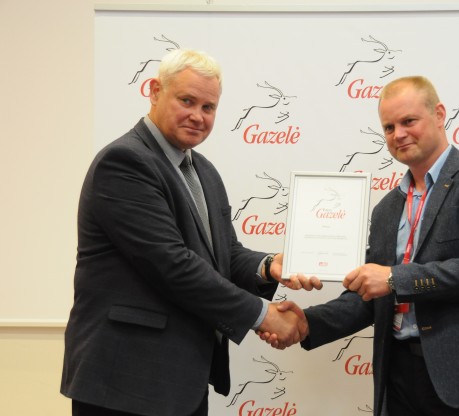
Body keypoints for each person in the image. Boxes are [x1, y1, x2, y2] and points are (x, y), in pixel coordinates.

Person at [61, 49, 319, 416]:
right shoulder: (124, 162)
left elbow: (225, 253)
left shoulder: (204, 171)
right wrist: (264, 314)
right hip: (124, 382)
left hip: (181, 381)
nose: (198, 116)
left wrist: (268, 265)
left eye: (208, 107)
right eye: (187, 101)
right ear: (155, 91)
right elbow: (173, 265)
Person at [265, 76, 459, 415]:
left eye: (409, 121)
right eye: (389, 127)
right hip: (398, 377)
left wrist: (394, 278)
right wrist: (307, 323)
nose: (399, 134)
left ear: (439, 114)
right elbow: (369, 295)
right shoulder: (386, 209)